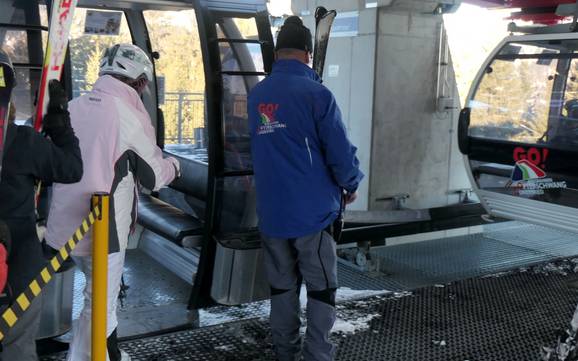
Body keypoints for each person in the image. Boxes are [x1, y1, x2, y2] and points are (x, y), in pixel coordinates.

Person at [44, 43, 180, 361]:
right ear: (140, 82)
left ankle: (108, 352)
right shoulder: (127, 115)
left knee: (98, 297)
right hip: (102, 231)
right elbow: (155, 176)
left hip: (63, 226)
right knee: (98, 304)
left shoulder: (75, 106)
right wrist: (176, 166)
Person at [248, 16, 364, 361]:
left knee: (282, 288)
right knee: (321, 289)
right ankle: (317, 356)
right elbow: (340, 152)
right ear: (308, 55)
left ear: (278, 53)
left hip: (271, 213)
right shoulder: (317, 94)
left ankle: (286, 353)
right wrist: (351, 183)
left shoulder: (258, 95)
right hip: (312, 215)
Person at [0, 49, 83, 361]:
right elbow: (72, 169)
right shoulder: (23, 142)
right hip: (18, 271)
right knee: (17, 348)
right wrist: (59, 123)